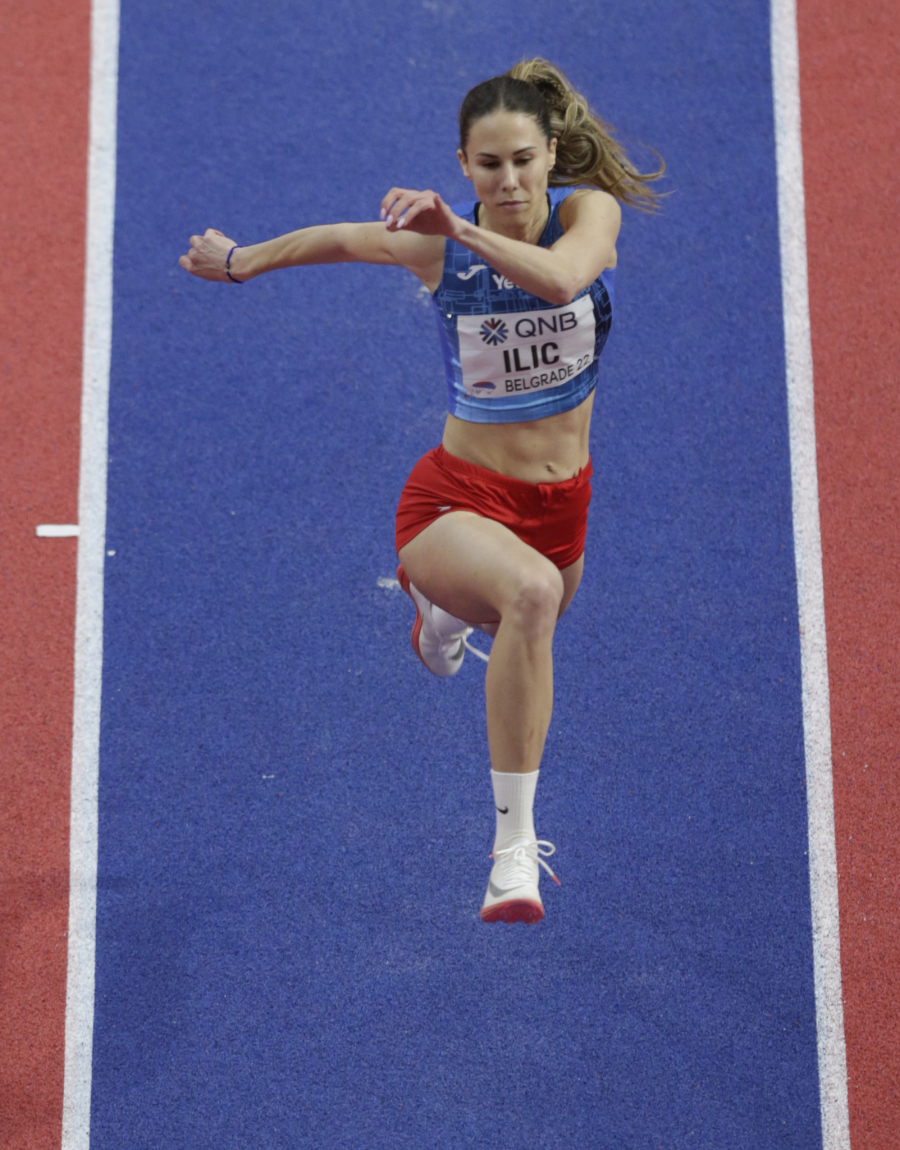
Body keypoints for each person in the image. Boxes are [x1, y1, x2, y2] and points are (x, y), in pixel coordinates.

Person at [179, 58, 662, 925]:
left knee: (531, 600)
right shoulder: (437, 247)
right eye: (487, 165)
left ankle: (441, 617)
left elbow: (560, 280)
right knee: (529, 595)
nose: (508, 180)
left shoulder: (590, 213)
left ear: (553, 153)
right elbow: (335, 237)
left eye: (522, 159)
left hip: (562, 509)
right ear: (463, 164)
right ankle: (512, 850)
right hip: (454, 500)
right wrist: (239, 261)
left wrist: (462, 231)